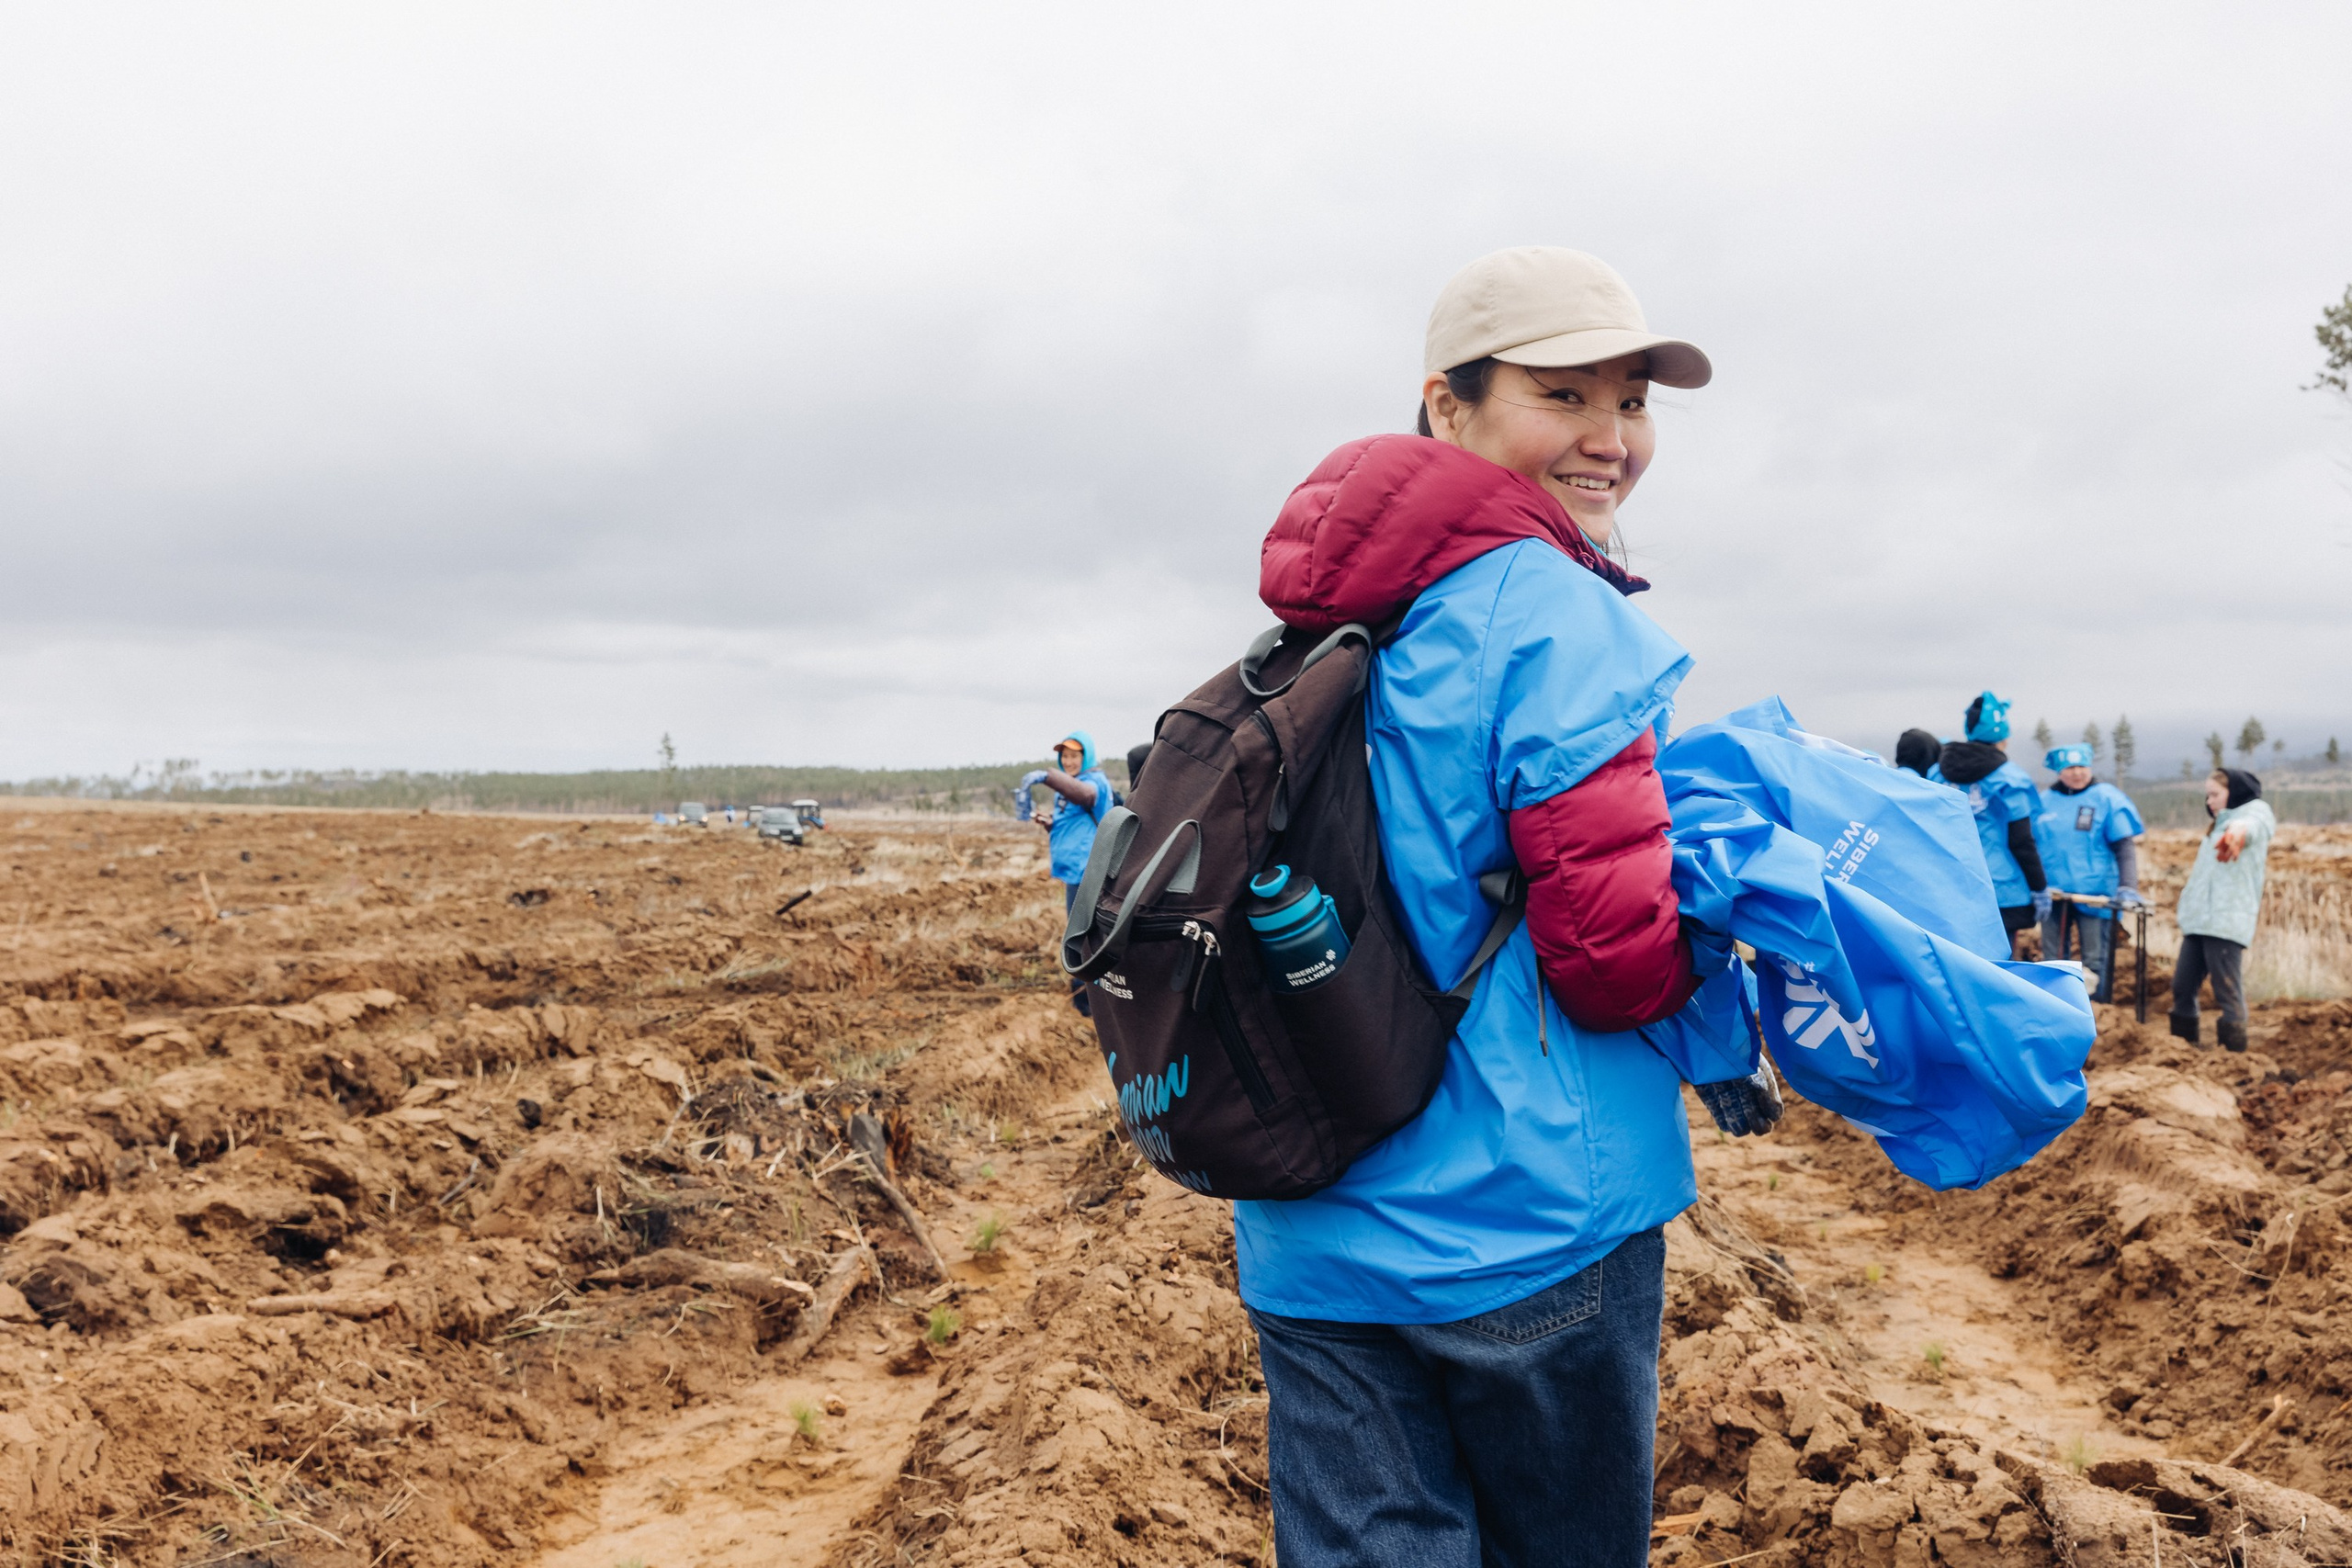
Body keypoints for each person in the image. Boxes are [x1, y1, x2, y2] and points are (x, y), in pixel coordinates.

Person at [1239, 247, 1775, 1568]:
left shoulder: (1314, 618)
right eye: (1565, 395)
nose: (1612, 440)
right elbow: (1608, 956)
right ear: (1446, 403)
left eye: (1633, 401)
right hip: (1529, 1217)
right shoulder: (1551, 610)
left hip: (1308, 1218)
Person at [1934, 693, 2050, 957]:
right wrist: (2039, 886)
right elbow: (2021, 840)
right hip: (2001, 889)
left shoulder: (1938, 773)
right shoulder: (2009, 779)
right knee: (2001, 967)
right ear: (2003, 736)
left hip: (1952, 883)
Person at [2172, 768, 2274, 1052]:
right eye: (2207, 795)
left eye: (2215, 794)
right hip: (2199, 921)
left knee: (2227, 992)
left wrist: (2237, 831)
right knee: (2182, 987)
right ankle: (2181, 1052)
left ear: (2235, 792)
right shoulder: (2218, 825)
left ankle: (2233, 1059)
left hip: (2226, 921)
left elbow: (2251, 825)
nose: (2210, 801)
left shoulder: (2254, 814)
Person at [2031, 743, 2145, 996]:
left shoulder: (2107, 798)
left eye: (2082, 766)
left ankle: (2098, 1013)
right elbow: (2029, 846)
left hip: (2095, 897)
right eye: (2070, 767)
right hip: (2054, 895)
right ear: (2059, 771)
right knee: (2054, 959)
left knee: (2094, 959)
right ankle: (2058, 1008)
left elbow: (2124, 847)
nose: (2077, 773)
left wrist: (2127, 886)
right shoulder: (2043, 802)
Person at [1035, 731, 1114, 1016]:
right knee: (1079, 933)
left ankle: (1088, 1002)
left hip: (1089, 873)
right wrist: (1049, 823)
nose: (1068, 761)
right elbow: (1072, 820)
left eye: (1074, 756)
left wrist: (1048, 776)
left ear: (1086, 757)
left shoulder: (1094, 782)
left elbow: (1086, 796)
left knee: (1082, 936)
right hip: (1074, 873)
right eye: (1064, 757)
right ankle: (1088, 996)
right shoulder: (1070, 786)